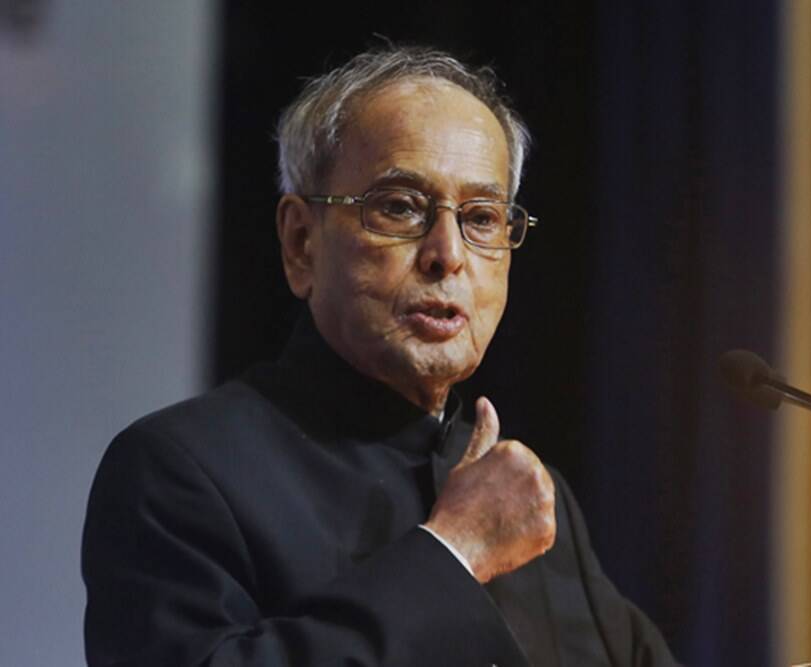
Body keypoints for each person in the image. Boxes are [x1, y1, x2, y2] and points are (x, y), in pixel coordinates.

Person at [81, 45, 677, 666]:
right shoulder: (180, 472)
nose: (448, 255)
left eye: (481, 218)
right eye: (400, 208)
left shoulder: (531, 495)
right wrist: (453, 553)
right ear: (301, 243)